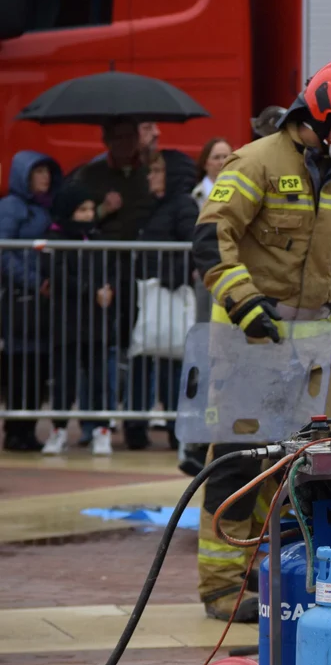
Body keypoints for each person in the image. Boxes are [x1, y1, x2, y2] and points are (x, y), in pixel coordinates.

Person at [192, 56, 331, 621]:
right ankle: (222, 586)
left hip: (313, 348)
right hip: (252, 340)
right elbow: (212, 239)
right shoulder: (255, 162)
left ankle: (268, 569)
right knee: (238, 464)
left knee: (312, 464)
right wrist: (245, 302)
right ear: (323, 117)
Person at [125, 153, 201, 451]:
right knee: (144, 357)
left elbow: (193, 244)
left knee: (171, 362)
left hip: (167, 292)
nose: (150, 176)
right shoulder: (154, 205)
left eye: (157, 171)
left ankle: (173, 428)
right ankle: (136, 427)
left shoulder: (182, 205)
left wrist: (172, 276)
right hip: (150, 293)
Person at [40, 182, 114, 455]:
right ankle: (58, 430)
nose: (88, 215)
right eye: (82, 210)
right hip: (66, 323)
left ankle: (100, 430)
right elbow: (57, 275)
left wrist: (107, 288)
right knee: (64, 381)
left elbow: (108, 269)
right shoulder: (56, 239)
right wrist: (89, 290)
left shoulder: (96, 237)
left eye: (91, 209)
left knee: (97, 381)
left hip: (95, 325)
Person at [0, 151, 62, 451]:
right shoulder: (11, 207)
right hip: (20, 299)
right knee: (19, 365)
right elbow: (4, 251)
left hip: (41, 300)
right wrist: (35, 281)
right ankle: (15, 430)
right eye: (38, 172)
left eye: (47, 172)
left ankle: (27, 430)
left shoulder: (45, 208)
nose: (45, 177)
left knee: (37, 366)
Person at [192, 138, 233, 210]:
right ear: (205, 163)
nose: (222, 162)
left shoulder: (240, 192)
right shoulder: (196, 195)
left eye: (226, 157)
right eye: (216, 157)